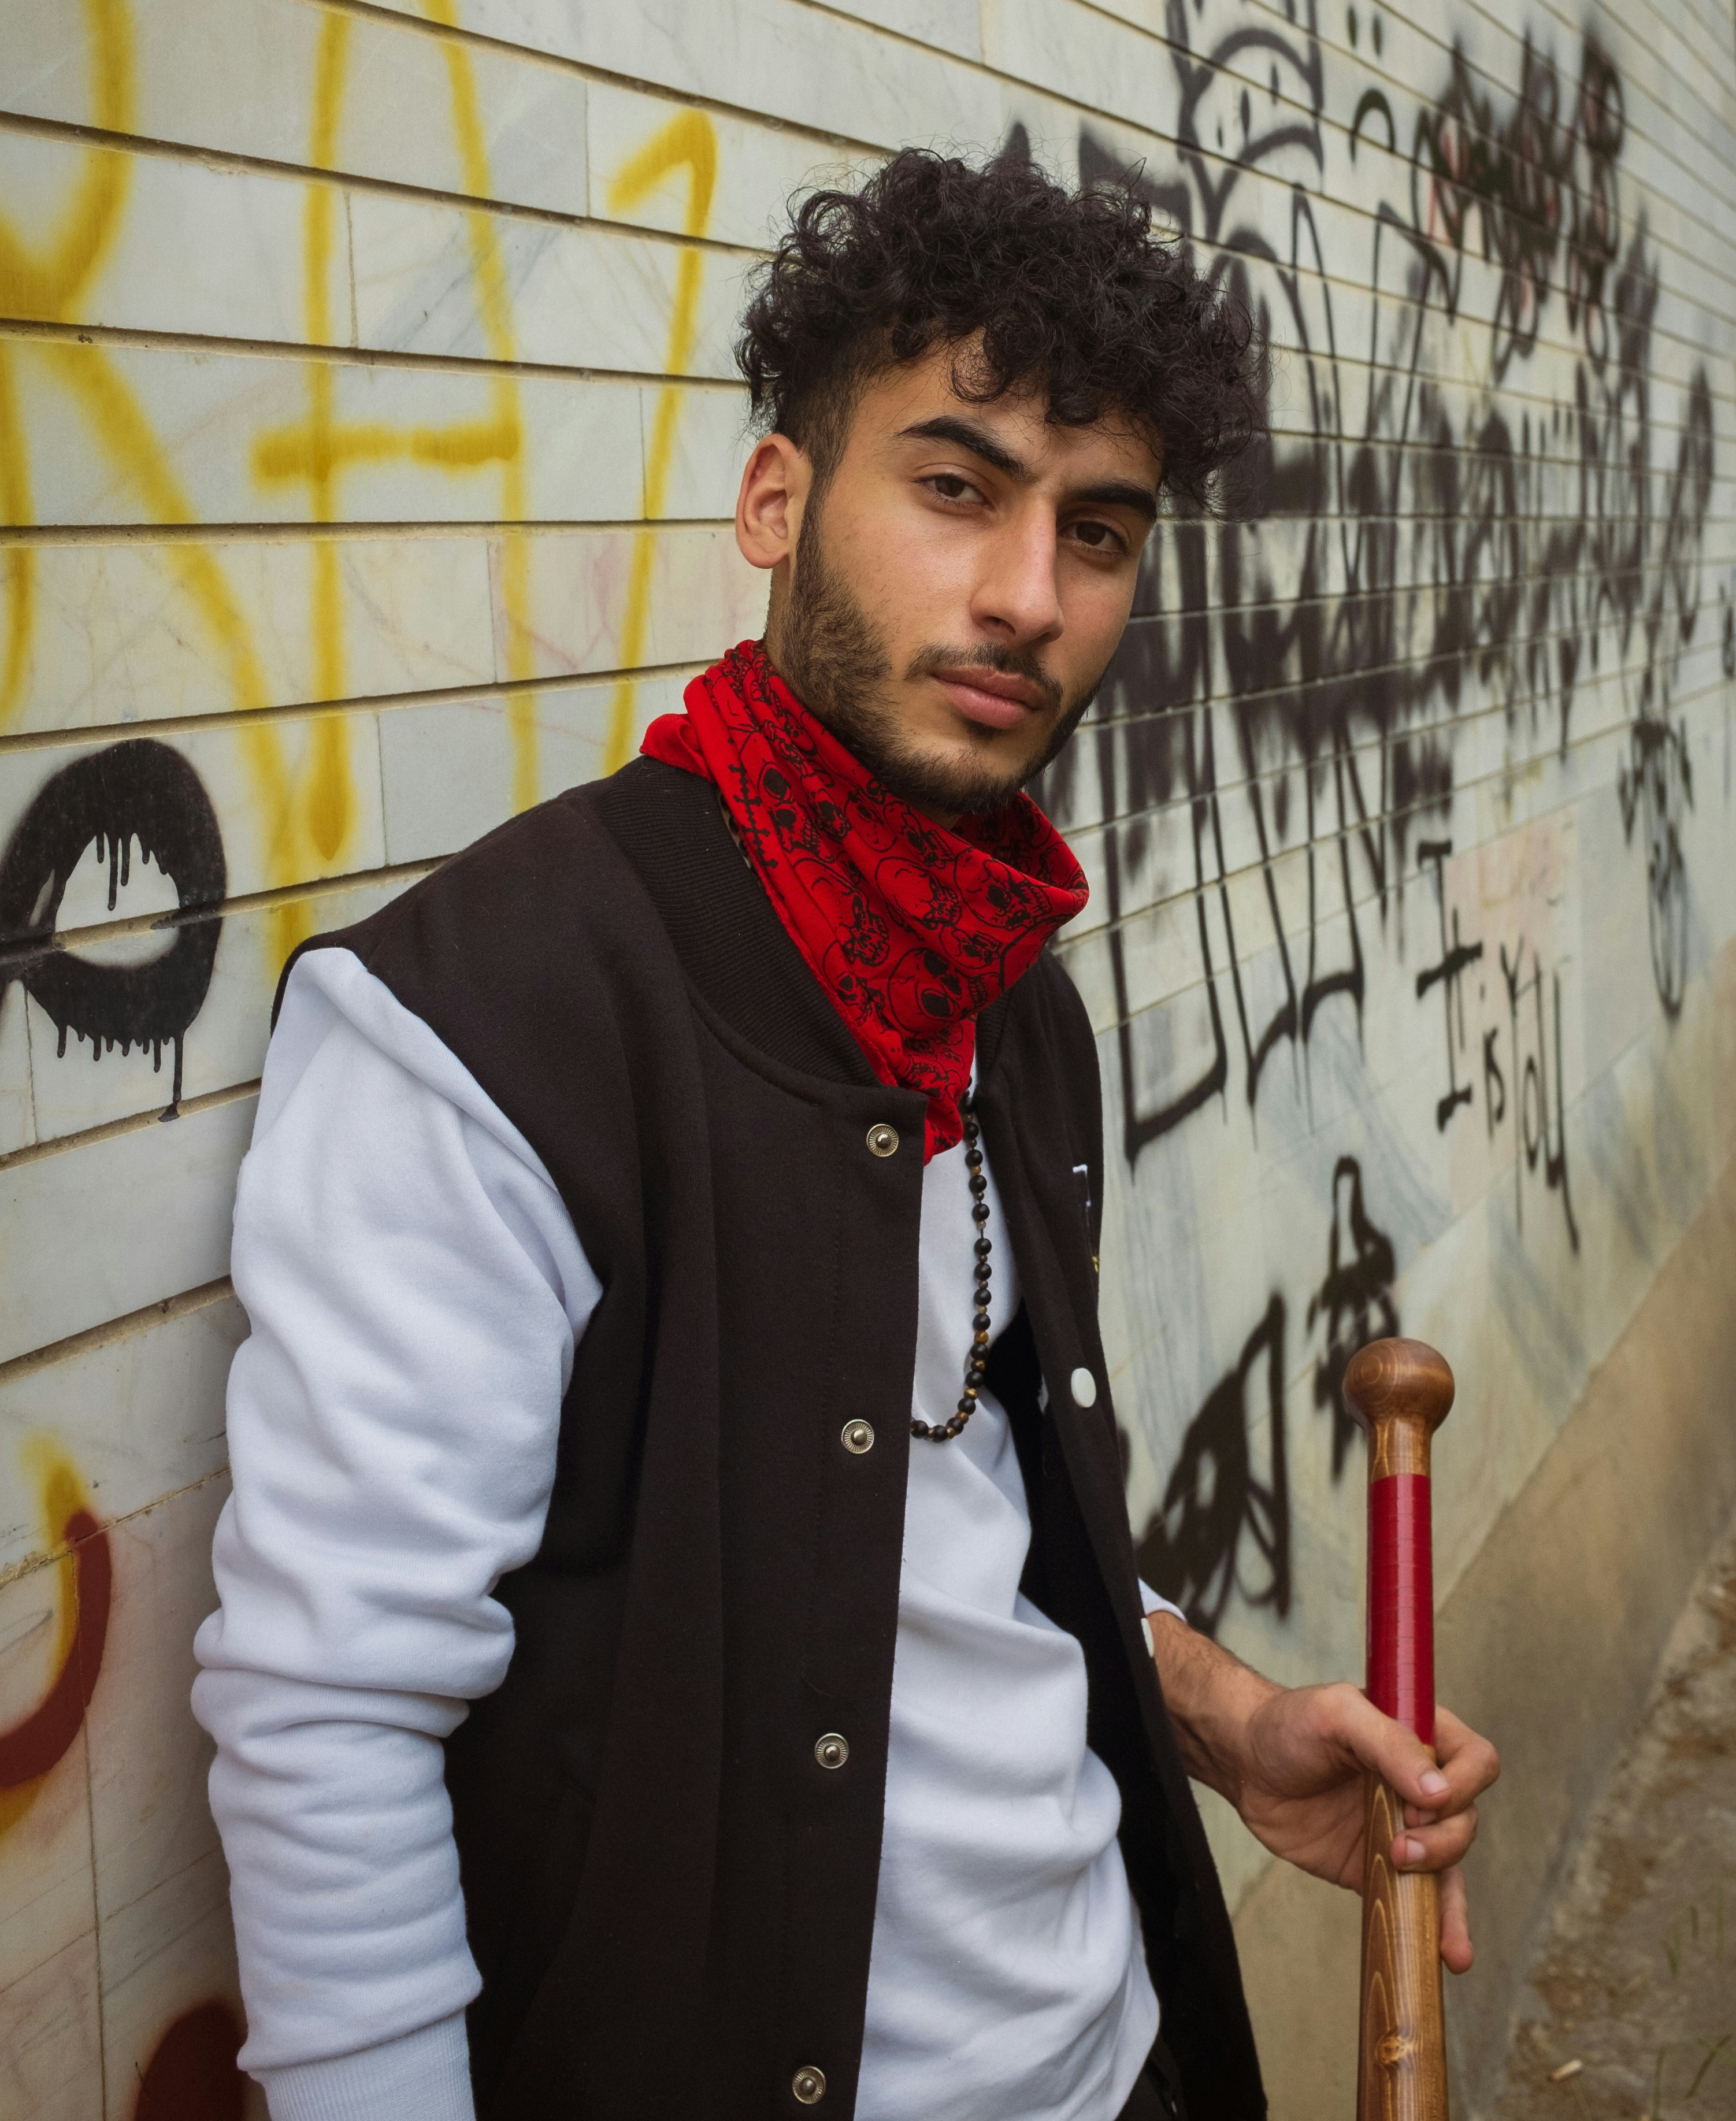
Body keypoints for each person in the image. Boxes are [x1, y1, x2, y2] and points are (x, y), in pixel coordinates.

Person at [193, 150, 1498, 2121]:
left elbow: (946, 1520)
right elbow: (326, 1726)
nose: (1025, 597)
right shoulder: (490, 1015)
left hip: (1117, 2055)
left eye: (1100, 532)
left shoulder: (1004, 989)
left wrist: (1224, 1719)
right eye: (956, 487)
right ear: (777, 500)